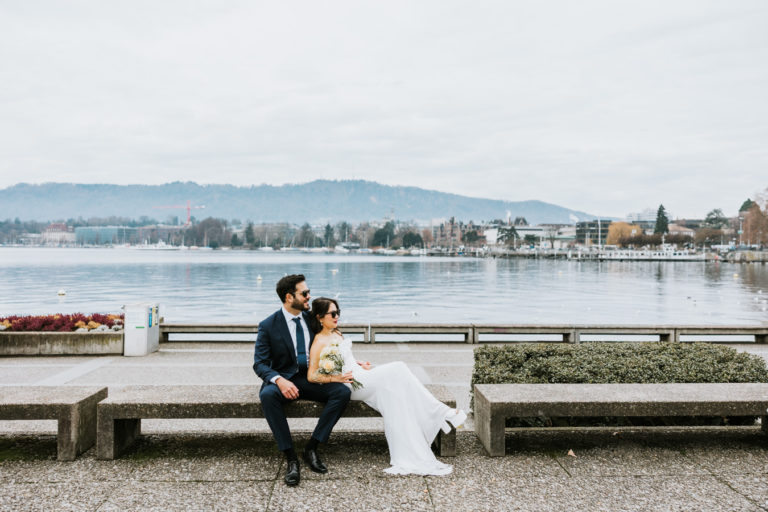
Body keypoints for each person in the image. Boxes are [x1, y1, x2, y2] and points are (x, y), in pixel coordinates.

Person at [307, 297, 467, 476]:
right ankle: (442, 412)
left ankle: (414, 443)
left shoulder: (337, 332)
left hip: (360, 374)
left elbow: (345, 358)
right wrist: (336, 378)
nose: (337, 316)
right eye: (333, 313)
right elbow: (312, 375)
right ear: (320, 317)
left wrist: (358, 364)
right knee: (398, 368)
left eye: (339, 312)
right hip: (351, 385)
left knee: (397, 392)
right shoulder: (318, 342)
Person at [253, 275, 352, 487]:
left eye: (308, 292)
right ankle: (290, 457)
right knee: (267, 396)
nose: (309, 297)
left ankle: (312, 447)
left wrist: (353, 362)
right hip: (285, 378)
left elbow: (331, 342)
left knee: (342, 392)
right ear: (289, 297)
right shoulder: (268, 325)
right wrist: (279, 380)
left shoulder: (311, 318)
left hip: (313, 378)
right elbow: (259, 364)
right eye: (304, 293)